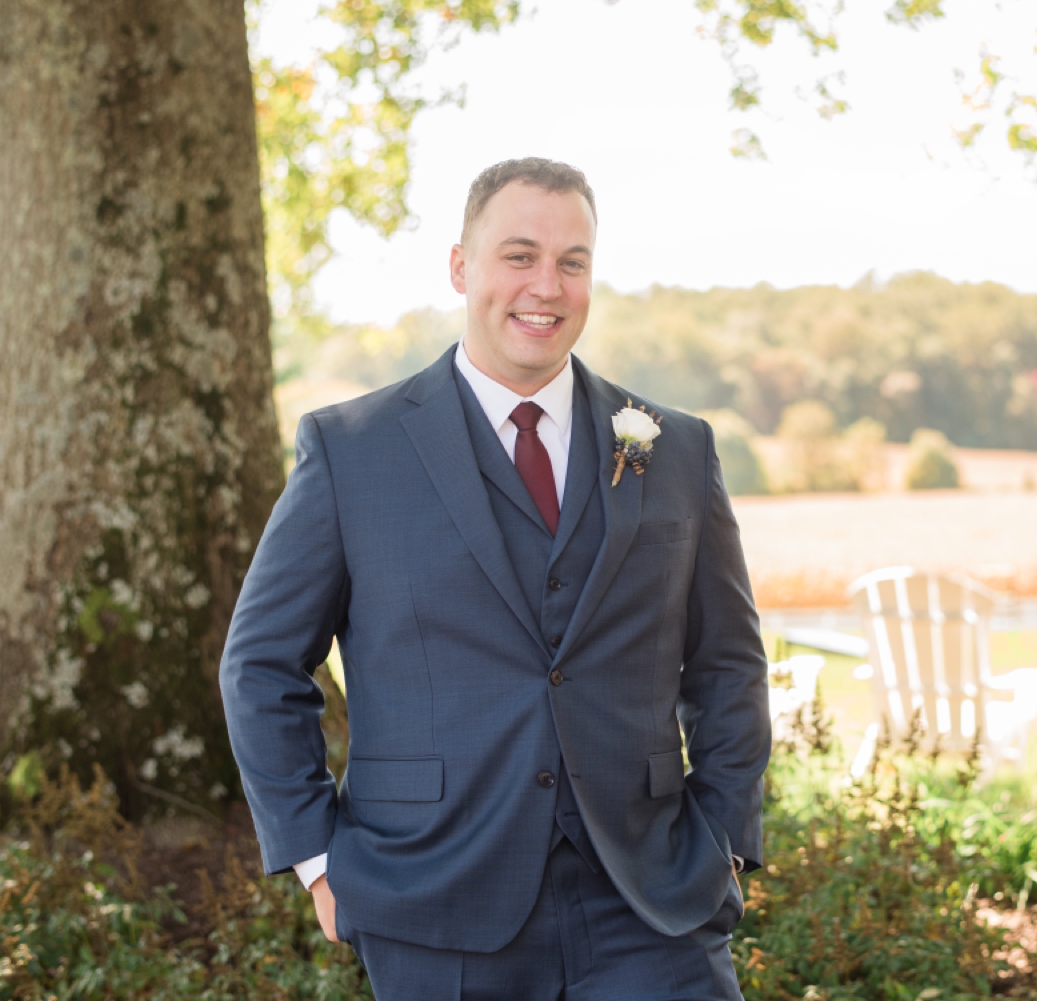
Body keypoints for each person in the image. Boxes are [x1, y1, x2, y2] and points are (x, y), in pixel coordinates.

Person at [220, 157, 770, 1000]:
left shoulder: (673, 447)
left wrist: (723, 837)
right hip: (435, 904)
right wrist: (321, 862)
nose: (545, 285)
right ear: (460, 266)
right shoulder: (350, 450)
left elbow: (728, 663)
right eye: (519, 255)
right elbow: (261, 664)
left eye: (572, 261)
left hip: (652, 906)